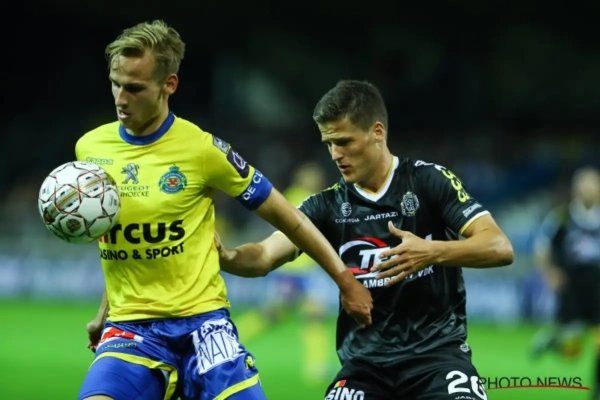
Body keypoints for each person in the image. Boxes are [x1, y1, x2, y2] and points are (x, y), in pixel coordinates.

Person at [76, 22, 373, 400]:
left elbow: (292, 218)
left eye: (134, 88)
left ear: (169, 85)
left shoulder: (203, 150)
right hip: (132, 329)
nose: (121, 98)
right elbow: (117, 239)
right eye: (115, 84)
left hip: (205, 326)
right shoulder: (90, 149)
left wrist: (345, 281)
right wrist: (103, 314)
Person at [216, 79, 514, 400]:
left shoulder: (429, 181)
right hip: (364, 369)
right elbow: (264, 255)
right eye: (329, 143)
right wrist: (226, 255)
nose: (335, 154)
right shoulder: (325, 206)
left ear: (377, 132)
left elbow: (499, 247)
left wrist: (432, 251)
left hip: (437, 360)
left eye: (344, 141)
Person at [531, 167, 600, 396]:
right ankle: (553, 342)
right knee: (572, 352)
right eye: (584, 184)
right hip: (572, 287)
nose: (589, 189)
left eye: (593, 184)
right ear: (576, 189)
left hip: (598, 285)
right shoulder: (562, 216)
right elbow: (542, 247)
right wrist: (550, 272)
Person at [267, 161, 337, 383]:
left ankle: (316, 366)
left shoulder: (305, 197)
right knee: (273, 315)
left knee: (315, 315)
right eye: (311, 175)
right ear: (302, 177)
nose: (316, 179)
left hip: (305, 270)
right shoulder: (297, 197)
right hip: (293, 270)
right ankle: (238, 334)